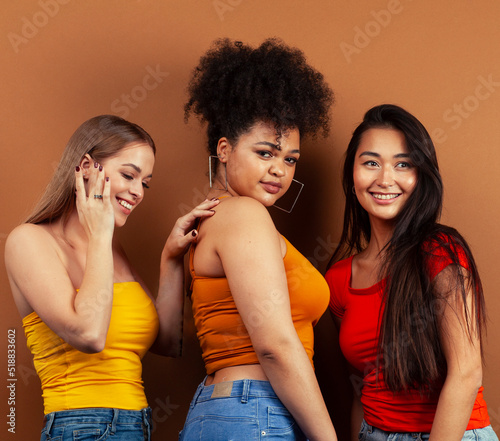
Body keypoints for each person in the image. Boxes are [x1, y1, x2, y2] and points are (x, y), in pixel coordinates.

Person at [4, 114, 219, 441]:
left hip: (138, 424)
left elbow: (167, 343)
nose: (137, 192)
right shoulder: (28, 241)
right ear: (87, 166)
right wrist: (100, 238)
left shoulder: (111, 249)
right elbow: (89, 335)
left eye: (144, 182)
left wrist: (171, 257)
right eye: (129, 175)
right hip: (79, 426)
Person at [178, 38, 337, 440]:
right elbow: (275, 345)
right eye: (266, 152)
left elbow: (170, 339)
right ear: (225, 149)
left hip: (226, 410)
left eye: (290, 159)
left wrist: (167, 260)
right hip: (255, 412)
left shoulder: (210, 220)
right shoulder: (246, 215)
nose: (280, 171)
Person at [325, 104, 498, 441]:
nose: (385, 179)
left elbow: (466, 373)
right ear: (352, 177)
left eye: (403, 164)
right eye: (371, 163)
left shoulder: (440, 250)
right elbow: (361, 389)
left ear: (420, 177)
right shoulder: (338, 279)